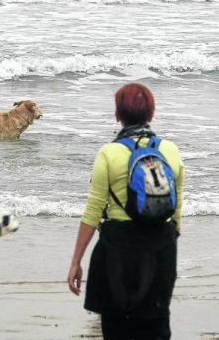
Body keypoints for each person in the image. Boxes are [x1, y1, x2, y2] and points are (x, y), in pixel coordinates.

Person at [67, 83, 184, 339]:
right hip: (160, 248)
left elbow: (93, 211)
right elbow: (177, 209)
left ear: (118, 114)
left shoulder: (108, 153)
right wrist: (165, 244)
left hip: (116, 250)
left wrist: (76, 261)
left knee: (117, 330)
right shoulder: (171, 151)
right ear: (151, 114)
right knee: (157, 328)